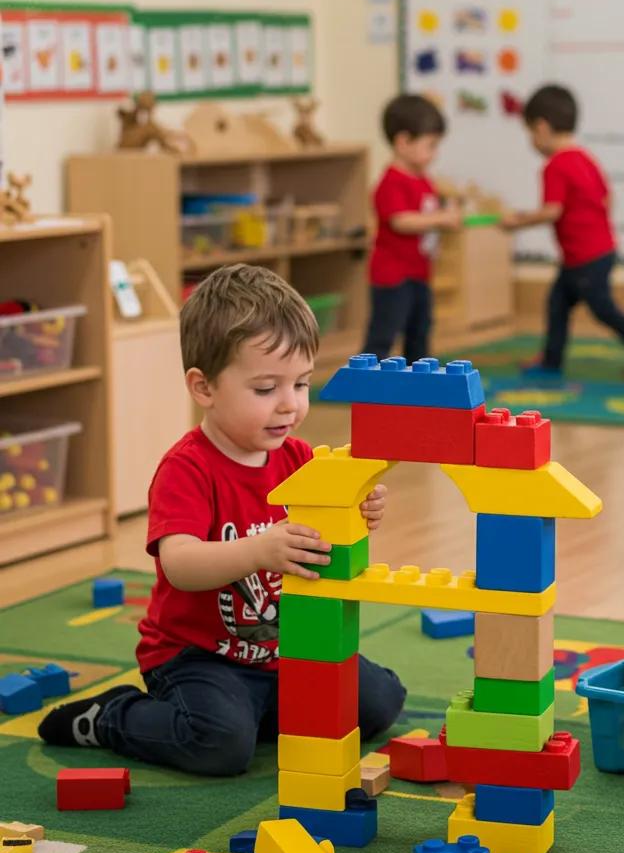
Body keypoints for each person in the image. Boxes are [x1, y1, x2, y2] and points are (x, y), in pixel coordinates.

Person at [40, 264, 406, 775]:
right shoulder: (188, 468)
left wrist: (361, 511)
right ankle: (113, 717)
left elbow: (324, 539)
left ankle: (259, 713)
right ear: (204, 387)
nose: (289, 405)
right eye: (264, 389)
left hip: (287, 650)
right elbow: (180, 564)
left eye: (301, 384)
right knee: (220, 744)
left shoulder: (301, 458)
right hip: (197, 657)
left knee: (380, 701)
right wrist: (259, 550)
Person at [503, 84, 624, 381]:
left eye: (530, 133)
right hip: (594, 252)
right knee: (558, 303)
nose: (531, 141)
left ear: (541, 127)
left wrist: (517, 222)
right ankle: (552, 360)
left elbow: (552, 210)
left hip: (586, 257)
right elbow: (607, 198)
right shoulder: (585, 158)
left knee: (604, 310)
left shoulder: (555, 165)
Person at [362, 93, 461, 363]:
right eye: (430, 145)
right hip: (393, 276)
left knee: (420, 332)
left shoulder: (423, 180)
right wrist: (440, 219)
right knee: (384, 332)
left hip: (419, 272)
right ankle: (369, 383)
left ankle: (417, 386)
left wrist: (445, 217)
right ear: (403, 142)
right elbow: (401, 221)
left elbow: (424, 215)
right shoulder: (391, 181)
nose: (434, 154)